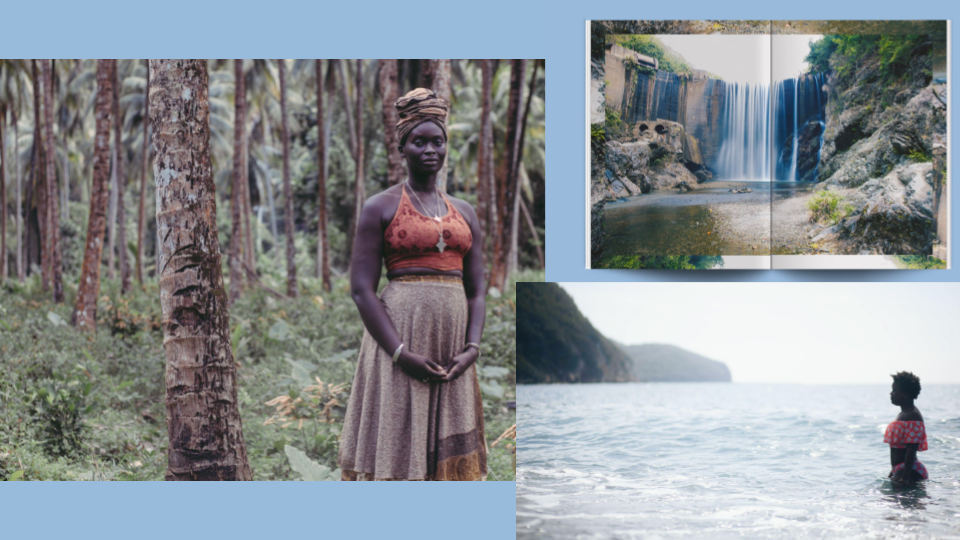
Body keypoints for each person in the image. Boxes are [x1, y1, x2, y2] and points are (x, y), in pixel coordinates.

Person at [337, 88, 487, 481]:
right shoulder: (380, 206)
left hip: (452, 346)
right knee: (399, 434)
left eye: (438, 141)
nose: (430, 150)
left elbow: (477, 291)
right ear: (402, 147)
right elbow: (361, 290)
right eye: (419, 142)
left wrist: (472, 349)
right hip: (401, 338)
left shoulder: (465, 212)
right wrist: (400, 353)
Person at [884, 371, 928, 486]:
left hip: (910, 470)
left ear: (905, 394)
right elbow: (899, 449)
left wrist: (905, 478)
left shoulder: (913, 415)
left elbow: (911, 450)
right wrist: (892, 472)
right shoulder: (903, 414)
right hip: (902, 469)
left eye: (894, 390)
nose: (891, 393)